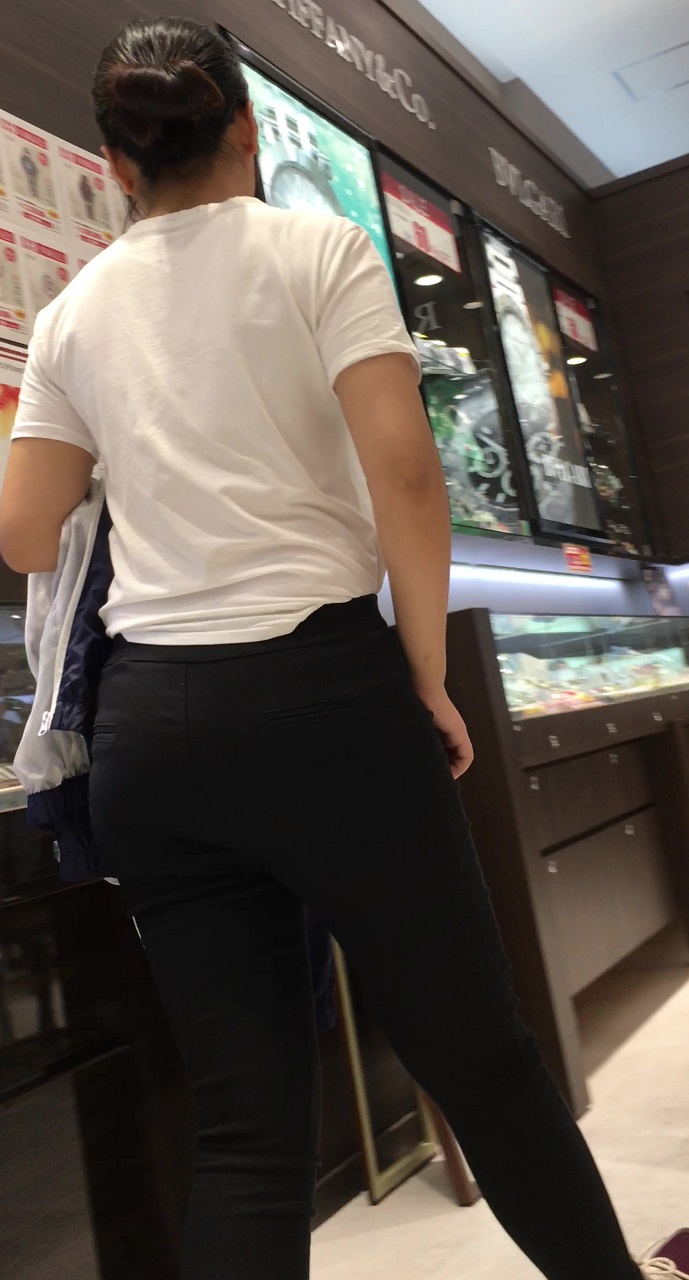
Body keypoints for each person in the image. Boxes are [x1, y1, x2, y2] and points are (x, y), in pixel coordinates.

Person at [0, 17, 682, 1280]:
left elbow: (26, 531)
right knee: (482, 1062)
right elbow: (407, 478)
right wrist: (420, 674)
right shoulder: (317, 247)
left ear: (111, 162)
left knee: (247, 1133)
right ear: (246, 130)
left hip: (153, 730)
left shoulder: (71, 314)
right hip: (322, 697)